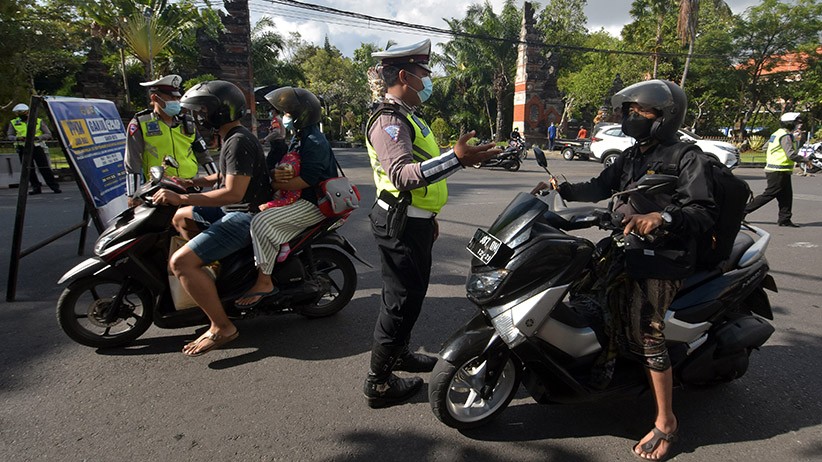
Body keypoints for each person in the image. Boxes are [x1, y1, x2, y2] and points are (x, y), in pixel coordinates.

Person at [534, 80, 717, 461]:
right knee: (585, 293)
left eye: (639, 112)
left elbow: (702, 211)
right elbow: (601, 185)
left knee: (648, 331)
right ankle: (608, 360)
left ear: (663, 117)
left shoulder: (687, 157)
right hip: (627, 246)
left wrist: (661, 216)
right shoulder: (633, 155)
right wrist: (561, 189)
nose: (629, 117)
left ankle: (666, 422)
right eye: (627, 111)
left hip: (666, 256)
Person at [363, 39, 501, 408]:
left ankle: (400, 354)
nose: (429, 80)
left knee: (411, 296)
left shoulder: (408, 115)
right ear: (406, 75)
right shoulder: (388, 120)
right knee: (399, 302)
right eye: (424, 73)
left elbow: (421, 171)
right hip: (400, 222)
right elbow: (404, 175)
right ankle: (378, 382)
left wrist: (430, 215)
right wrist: (456, 158)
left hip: (415, 221)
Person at [151, 80, 272, 357]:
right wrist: (191, 182)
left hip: (245, 216)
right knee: (181, 218)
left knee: (180, 262)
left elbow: (232, 192)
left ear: (220, 111)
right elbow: (224, 175)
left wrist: (181, 197)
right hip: (236, 209)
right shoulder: (232, 136)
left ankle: (222, 327)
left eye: (203, 110)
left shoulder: (238, 140)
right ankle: (214, 279)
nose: (199, 115)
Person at [234, 87, 336, 308]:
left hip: (313, 203)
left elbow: (307, 180)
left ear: (302, 114)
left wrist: (276, 183)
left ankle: (264, 281)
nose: (283, 117)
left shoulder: (314, 141)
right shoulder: (298, 138)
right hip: (296, 197)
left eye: (288, 113)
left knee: (261, 222)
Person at [125, 74, 216, 208]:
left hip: (190, 187)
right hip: (159, 189)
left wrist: (219, 181)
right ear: (155, 98)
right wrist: (133, 195)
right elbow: (132, 162)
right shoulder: (141, 123)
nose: (176, 101)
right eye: (171, 98)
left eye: (177, 98)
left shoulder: (187, 123)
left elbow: (204, 156)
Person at [744, 112, 805, 227]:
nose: (800, 125)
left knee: (786, 195)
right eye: (798, 122)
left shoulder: (778, 134)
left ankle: (785, 219)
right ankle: (742, 211)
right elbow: (791, 154)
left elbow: (765, 147)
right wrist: (806, 160)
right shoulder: (785, 136)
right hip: (778, 170)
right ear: (790, 123)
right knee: (769, 194)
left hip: (781, 170)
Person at [6, 103, 61, 194]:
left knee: (44, 167)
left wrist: (37, 138)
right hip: (23, 147)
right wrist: (17, 138)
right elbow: (10, 135)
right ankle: (36, 187)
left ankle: (54, 186)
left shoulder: (38, 121)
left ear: (27, 111)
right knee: (29, 170)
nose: (20, 115)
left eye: (22, 112)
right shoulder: (14, 122)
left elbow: (48, 134)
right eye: (17, 113)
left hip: (37, 146)